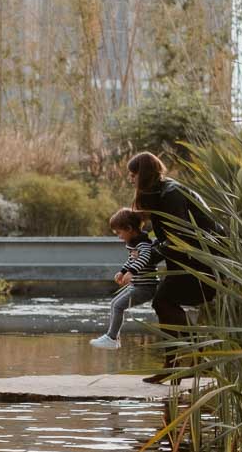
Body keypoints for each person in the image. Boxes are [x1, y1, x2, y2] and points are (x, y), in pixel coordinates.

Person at [128, 151, 220, 383]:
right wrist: (146, 254)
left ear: (143, 174)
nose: (131, 180)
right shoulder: (164, 191)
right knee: (166, 301)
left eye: (133, 175)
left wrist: (147, 260)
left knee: (163, 300)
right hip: (193, 258)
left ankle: (177, 364)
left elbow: (180, 236)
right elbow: (169, 238)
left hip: (204, 260)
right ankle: (194, 360)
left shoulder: (171, 194)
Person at [90, 207, 161, 350]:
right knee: (114, 303)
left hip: (145, 287)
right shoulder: (133, 244)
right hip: (136, 285)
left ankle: (111, 338)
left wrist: (132, 272)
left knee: (118, 306)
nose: (119, 236)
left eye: (119, 232)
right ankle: (113, 338)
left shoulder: (143, 244)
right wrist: (122, 271)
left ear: (129, 228)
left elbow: (144, 258)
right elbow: (131, 260)